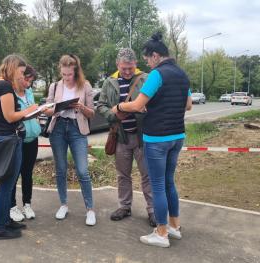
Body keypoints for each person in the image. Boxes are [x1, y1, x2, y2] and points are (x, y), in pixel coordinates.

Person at [112, 32, 192, 248]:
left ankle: (161, 233)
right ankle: (174, 227)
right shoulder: (182, 74)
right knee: (168, 183)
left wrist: (119, 107)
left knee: (157, 185)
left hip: (157, 138)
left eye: (147, 59)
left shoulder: (157, 74)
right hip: (178, 136)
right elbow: (188, 105)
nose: (147, 63)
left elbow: (137, 105)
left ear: (155, 55)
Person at [97, 48, 157, 227]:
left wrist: (149, 110)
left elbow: (156, 101)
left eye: (131, 68)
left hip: (143, 137)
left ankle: (152, 210)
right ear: (118, 65)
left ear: (136, 64)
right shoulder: (110, 82)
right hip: (121, 137)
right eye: (124, 68)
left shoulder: (146, 78)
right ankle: (124, 206)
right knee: (123, 175)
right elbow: (100, 106)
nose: (128, 71)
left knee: (147, 175)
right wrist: (113, 115)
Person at [0, 54, 39, 240]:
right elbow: (10, 116)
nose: (21, 76)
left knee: (8, 185)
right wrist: (30, 110)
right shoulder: (3, 86)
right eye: (20, 72)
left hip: (8, 138)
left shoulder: (1, 85)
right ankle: (0, 228)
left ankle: (6, 221)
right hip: (7, 140)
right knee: (6, 186)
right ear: (12, 67)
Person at [44, 54, 96, 226]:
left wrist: (81, 107)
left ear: (76, 71)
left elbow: (92, 113)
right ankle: (63, 205)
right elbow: (48, 109)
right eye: (64, 74)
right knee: (60, 169)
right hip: (58, 128)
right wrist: (55, 109)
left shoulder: (85, 85)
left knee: (82, 171)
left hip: (77, 129)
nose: (66, 78)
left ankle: (90, 210)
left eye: (70, 74)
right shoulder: (55, 86)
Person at [10, 65, 42, 222]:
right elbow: (12, 117)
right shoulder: (9, 94)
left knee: (27, 173)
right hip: (18, 140)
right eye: (27, 79)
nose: (28, 83)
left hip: (32, 138)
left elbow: (33, 111)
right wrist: (30, 111)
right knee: (14, 174)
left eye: (31, 80)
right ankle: (12, 206)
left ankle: (27, 204)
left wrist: (38, 111)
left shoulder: (29, 92)